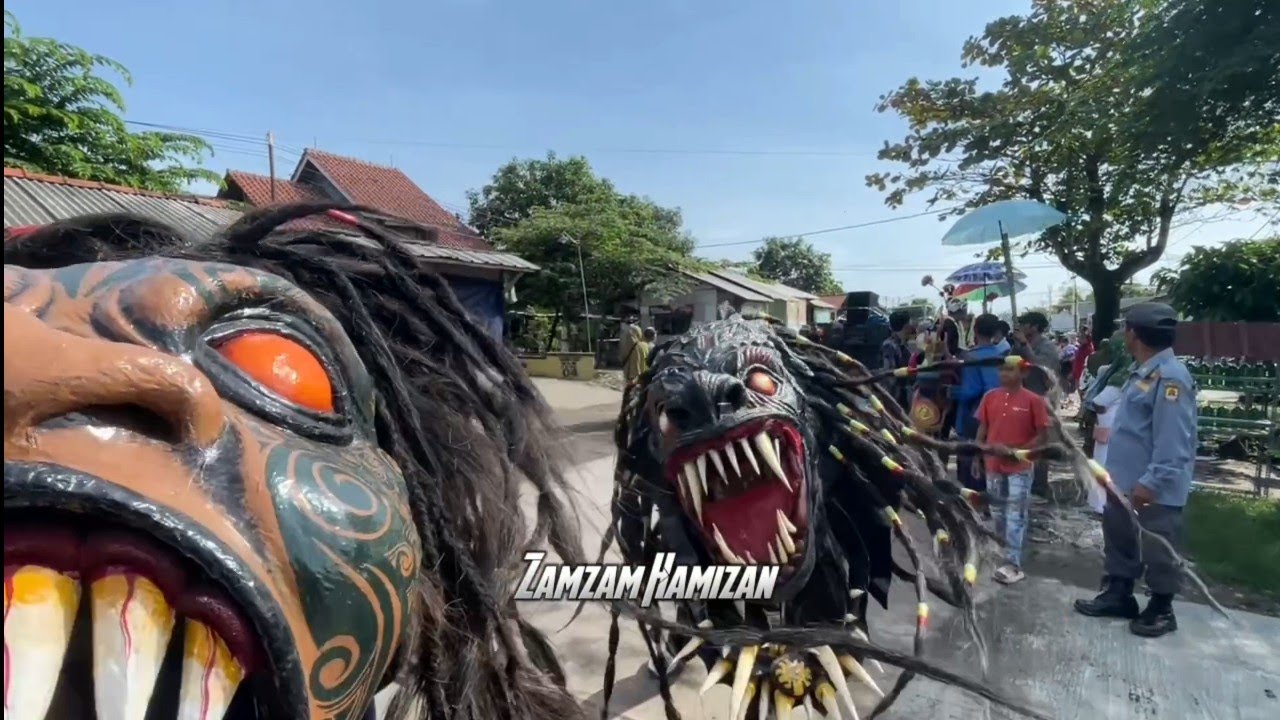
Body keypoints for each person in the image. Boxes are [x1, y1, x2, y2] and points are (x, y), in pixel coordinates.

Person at [1074, 303, 1197, 638]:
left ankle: (1161, 608)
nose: (1122, 334)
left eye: (1125, 328)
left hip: (1150, 487)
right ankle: (1118, 594)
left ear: (1134, 333)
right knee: (1120, 540)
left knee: (1158, 546)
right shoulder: (1143, 372)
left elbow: (1174, 441)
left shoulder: (1171, 378)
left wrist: (1152, 482)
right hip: (1123, 481)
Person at [974, 357, 1052, 584]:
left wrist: (1018, 451)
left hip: (1020, 466)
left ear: (1023, 374)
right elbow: (983, 426)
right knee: (997, 512)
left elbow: (1042, 435)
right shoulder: (990, 397)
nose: (1004, 374)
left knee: (1015, 514)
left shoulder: (1034, 401)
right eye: (1001, 370)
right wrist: (977, 454)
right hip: (992, 464)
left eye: (1010, 370)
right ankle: (1000, 555)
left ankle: (1013, 564)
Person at [954, 313, 1010, 491]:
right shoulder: (1003, 356)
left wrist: (951, 392)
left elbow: (970, 391)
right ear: (995, 332)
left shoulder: (971, 357)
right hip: (1001, 412)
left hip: (974, 415)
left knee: (972, 460)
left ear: (975, 331)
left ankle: (976, 504)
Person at [881, 309, 914, 407]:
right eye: (909, 325)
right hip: (895, 397)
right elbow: (889, 374)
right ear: (905, 326)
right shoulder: (889, 346)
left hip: (902, 394)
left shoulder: (902, 344)